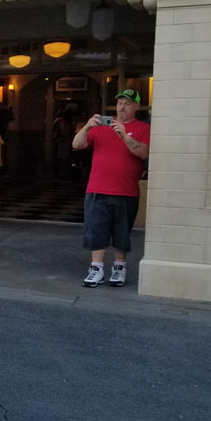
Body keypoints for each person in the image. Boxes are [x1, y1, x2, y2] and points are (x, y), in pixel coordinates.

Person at [72, 89, 151, 287]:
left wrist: (124, 135)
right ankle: (96, 269)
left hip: (125, 191)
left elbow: (143, 153)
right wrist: (87, 127)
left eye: (128, 103)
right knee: (96, 230)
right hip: (97, 189)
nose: (122, 107)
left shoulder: (143, 128)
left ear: (136, 106)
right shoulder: (100, 128)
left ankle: (119, 268)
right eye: (120, 103)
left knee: (121, 233)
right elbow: (76, 144)